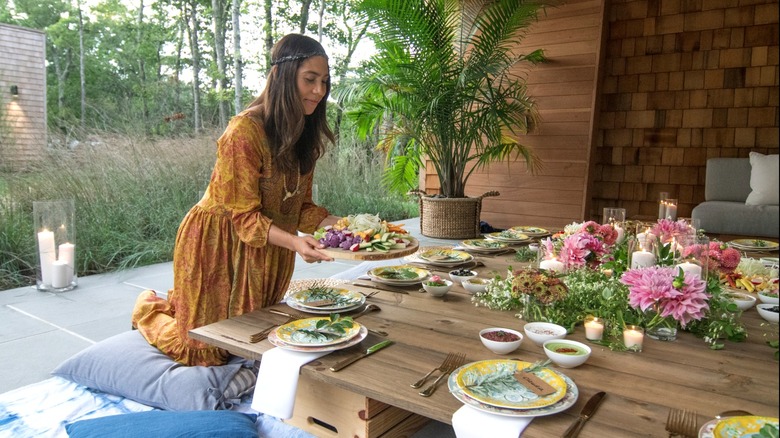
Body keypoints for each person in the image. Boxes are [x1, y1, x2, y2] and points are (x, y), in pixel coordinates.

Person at [132, 34, 339, 366]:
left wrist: (348, 228)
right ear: (284, 78)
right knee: (204, 351)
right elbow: (243, 217)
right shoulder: (244, 131)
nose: (319, 90)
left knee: (246, 342)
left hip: (269, 248)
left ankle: (182, 305)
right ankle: (147, 309)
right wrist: (297, 244)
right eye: (310, 79)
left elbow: (298, 207)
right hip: (217, 243)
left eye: (325, 81)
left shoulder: (304, 132)